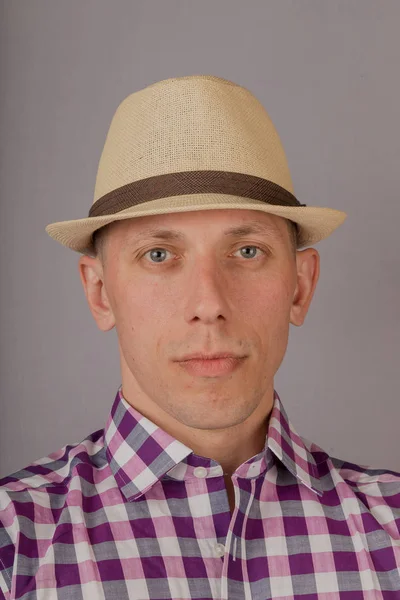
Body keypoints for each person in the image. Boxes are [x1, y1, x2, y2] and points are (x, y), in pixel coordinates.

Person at [0, 75, 399, 600]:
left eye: (247, 252)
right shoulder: (16, 543)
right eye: (159, 255)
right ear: (100, 293)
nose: (209, 304)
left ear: (300, 287)